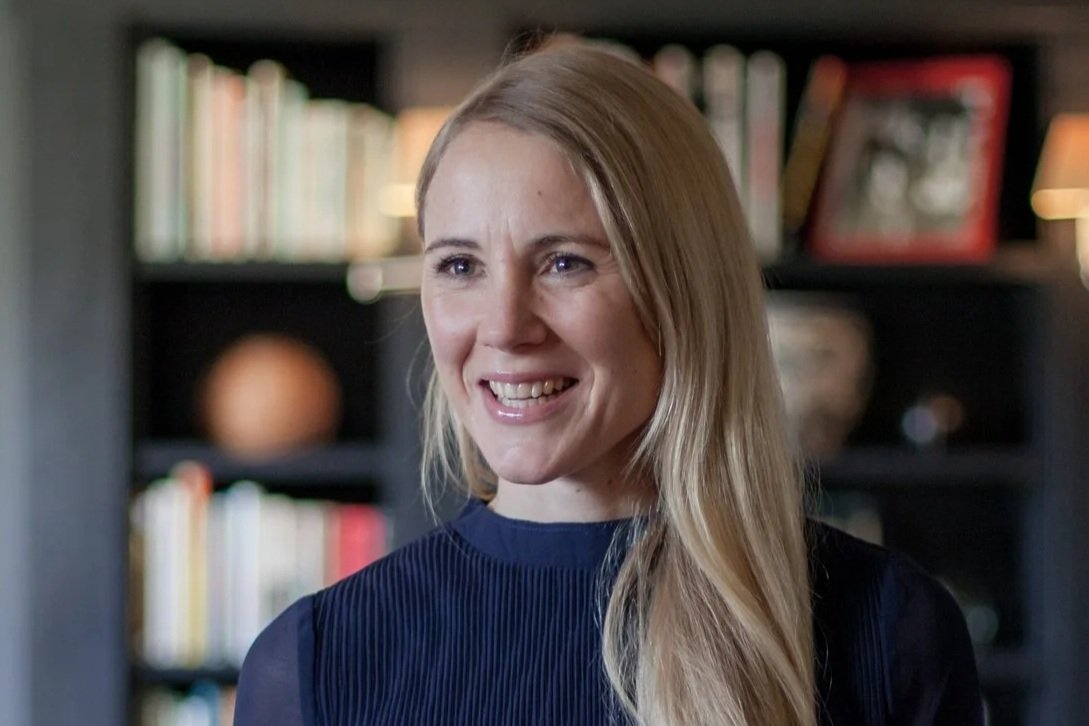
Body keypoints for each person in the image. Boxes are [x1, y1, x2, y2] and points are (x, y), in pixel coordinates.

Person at [234, 43, 982, 726]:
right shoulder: (315, 663)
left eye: (566, 263)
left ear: (683, 290)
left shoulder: (886, 631)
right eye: (460, 265)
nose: (504, 327)